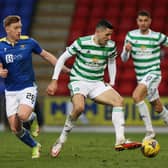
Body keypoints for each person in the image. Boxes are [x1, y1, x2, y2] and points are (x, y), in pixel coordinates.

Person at [47, 19, 141, 157]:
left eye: (111, 35)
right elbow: (62, 59)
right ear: (98, 32)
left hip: (97, 83)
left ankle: (120, 140)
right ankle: (61, 140)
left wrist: (112, 82)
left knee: (119, 101)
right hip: (79, 80)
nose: (109, 38)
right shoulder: (81, 42)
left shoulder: (110, 46)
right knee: (79, 108)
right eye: (107, 35)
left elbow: (111, 61)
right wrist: (54, 80)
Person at [0, 15, 69, 159]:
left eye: (20, 27)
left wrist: (61, 67)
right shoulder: (0, 45)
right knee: (15, 128)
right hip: (10, 91)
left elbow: (47, 56)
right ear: (7, 29)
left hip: (27, 87)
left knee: (23, 115)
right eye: (16, 28)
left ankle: (32, 117)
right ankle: (34, 145)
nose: (19, 30)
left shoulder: (29, 42)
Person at [121, 10, 168, 141]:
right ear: (137, 21)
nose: (143, 23)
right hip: (141, 77)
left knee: (136, 96)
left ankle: (149, 131)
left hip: (153, 73)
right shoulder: (130, 36)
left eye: (145, 20)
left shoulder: (157, 36)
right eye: (140, 20)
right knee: (158, 107)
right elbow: (124, 59)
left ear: (150, 21)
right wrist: (126, 50)